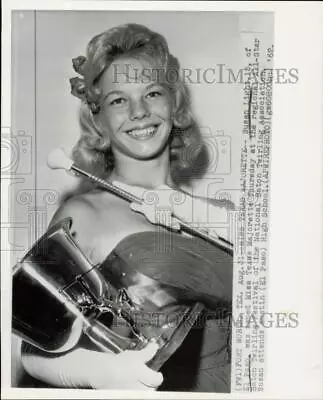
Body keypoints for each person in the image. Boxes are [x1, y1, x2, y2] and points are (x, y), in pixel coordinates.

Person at [17, 23, 234, 392]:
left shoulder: (222, 212)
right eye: (118, 100)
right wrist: (94, 371)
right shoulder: (83, 214)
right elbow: (34, 342)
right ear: (97, 118)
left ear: (175, 102)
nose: (139, 111)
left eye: (152, 93)